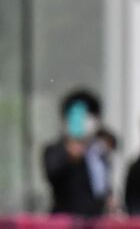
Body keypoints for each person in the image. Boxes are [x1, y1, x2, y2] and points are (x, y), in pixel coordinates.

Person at [43, 89, 109, 217]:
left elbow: (101, 187)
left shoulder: (98, 151)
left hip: (94, 221)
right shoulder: (55, 150)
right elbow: (53, 175)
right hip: (66, 221)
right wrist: (70, 156)